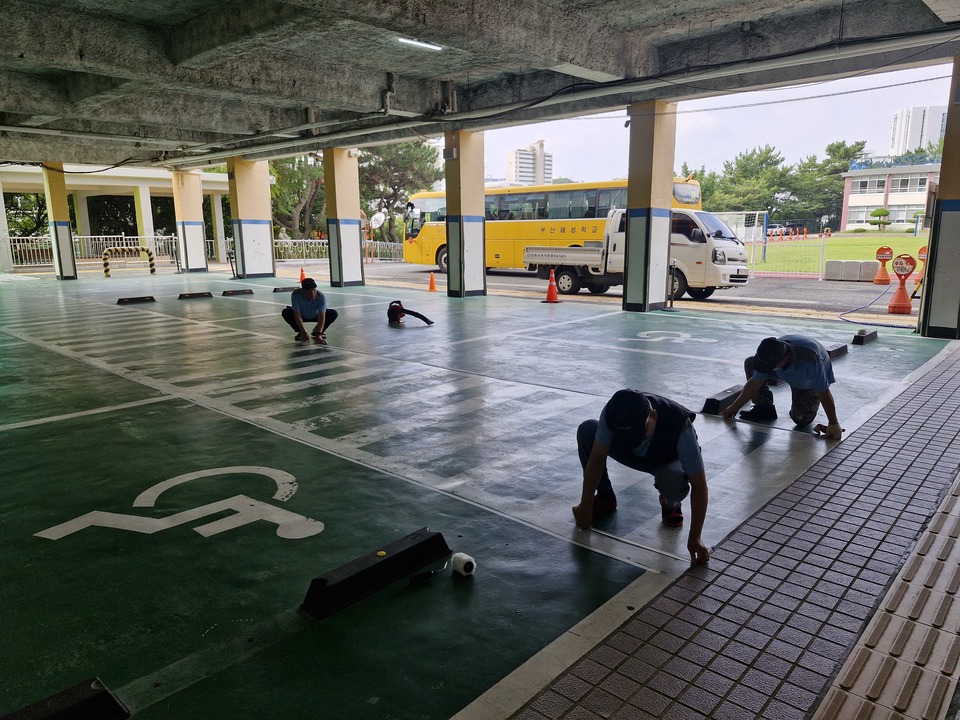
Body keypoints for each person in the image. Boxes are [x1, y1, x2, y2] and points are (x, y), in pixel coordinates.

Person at [573, 389, 710, 565]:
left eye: (638, 434)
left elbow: (699, 485)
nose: (633, 440)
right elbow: (597, 458)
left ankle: (671, 504)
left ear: (653, 416)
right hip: (629, 454)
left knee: (672, 479)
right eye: (627, 436)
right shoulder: (614, 412)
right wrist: (585, 505)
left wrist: (695, 537)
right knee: (587, 430)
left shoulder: (679, 424)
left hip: (665, 461)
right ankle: (604, 496)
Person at [722, 335, 843, 439]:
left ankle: (799, 402)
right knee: (751, 363)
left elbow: (824, 392)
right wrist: (734, 407)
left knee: (801, 420)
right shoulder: (770, 350)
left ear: (784, 360)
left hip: (806, 383)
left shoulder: (811, 360)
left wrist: (833, 423)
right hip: (783, 372)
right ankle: (763, 407)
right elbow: (755, 382)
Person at [281, 277, 338, 344]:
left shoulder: (321, 296)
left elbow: (321, 315)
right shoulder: (296, 295)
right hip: (302, 315)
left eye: (314, 290)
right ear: (303, 291)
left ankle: (317, 331)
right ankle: (301, 333)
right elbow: (297, 314)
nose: (312, 293)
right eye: (309, 291)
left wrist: (319, 334)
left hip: (316, 315)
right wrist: (303, 331)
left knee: (333, 313)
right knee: (286, 312)